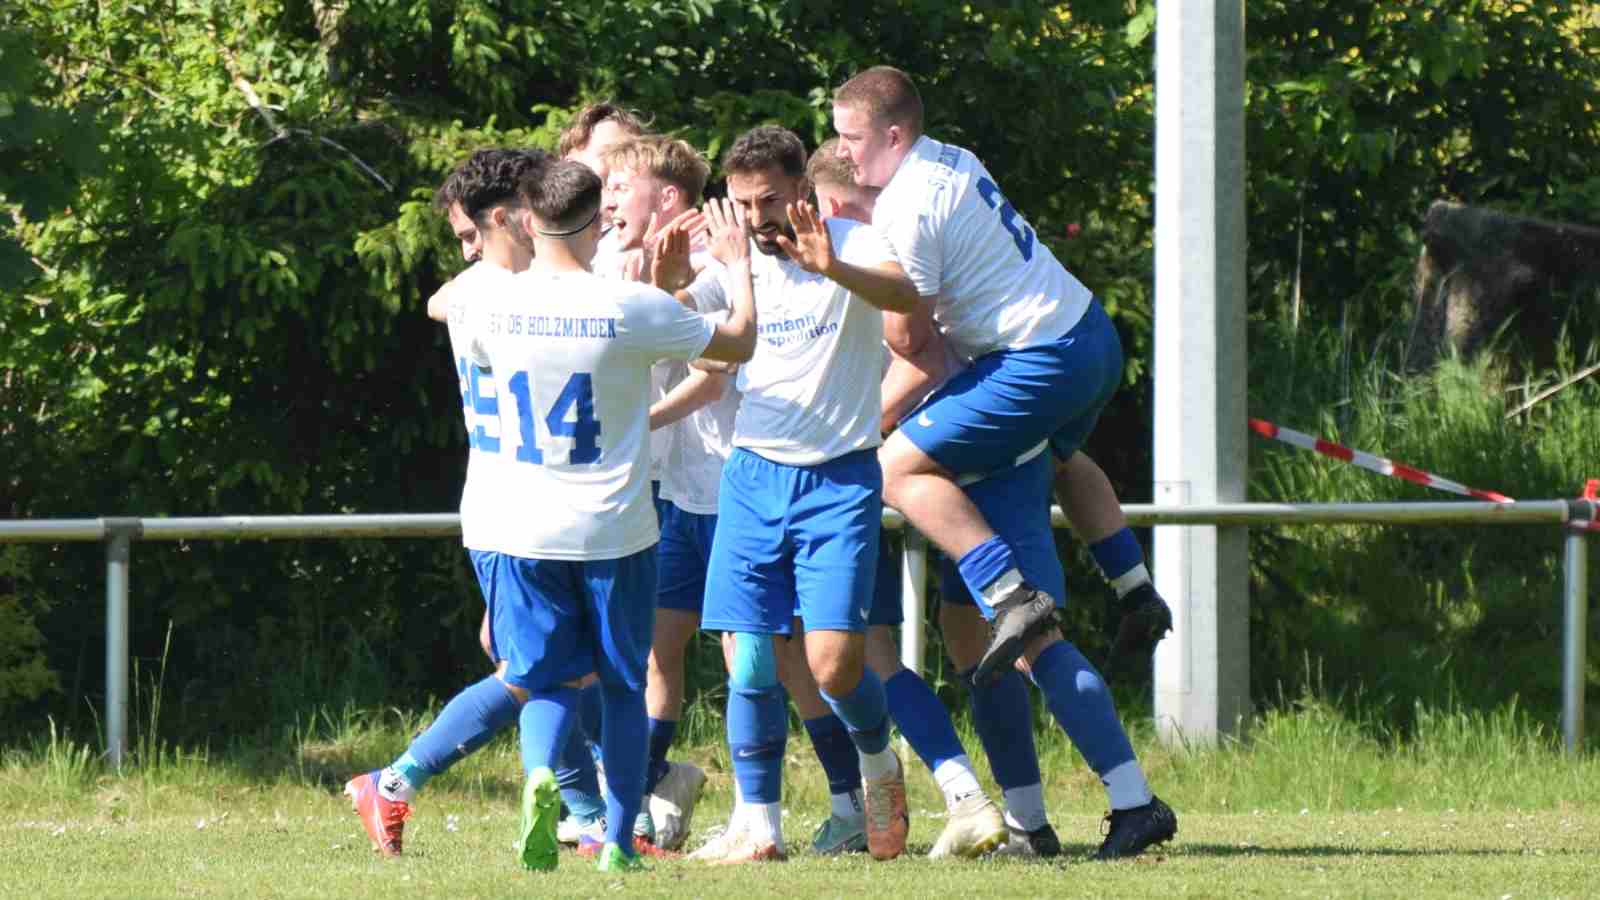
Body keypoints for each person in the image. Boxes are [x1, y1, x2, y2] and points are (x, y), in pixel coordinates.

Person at [832, 65, 1176, 858]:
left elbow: (916, 351)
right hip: (1079, 340)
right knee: (975, 647)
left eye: (854, 144)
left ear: (893, 135)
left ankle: (1131, 799)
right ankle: (1029, 819)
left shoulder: (903, 208)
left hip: (1039, 362)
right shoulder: (949, 158)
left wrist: (852, 431)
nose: (848, 165)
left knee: (907, 484)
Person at [462, 159, 759, 873]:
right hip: (613, 530)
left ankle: (543, 777)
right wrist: (736, 265)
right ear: (597, 225)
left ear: (527, 222)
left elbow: (445, 302)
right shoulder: (629, 307)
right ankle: (619, 838)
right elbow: (739, 341)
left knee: (541, 676)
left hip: (517, 527)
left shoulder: (478, 300)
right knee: (625, 686)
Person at [679, 125, 921, 865]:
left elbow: (904, 297)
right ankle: (760, 825)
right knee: (749, 660)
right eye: (744, 203)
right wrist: (663, 281)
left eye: (771, 200)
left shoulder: (851, 241)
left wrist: (832, 268)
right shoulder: (735, 257)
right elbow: (690, 320)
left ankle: (880, 769)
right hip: (753, 475)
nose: (757, 217)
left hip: (839, 478)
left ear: (802, 192)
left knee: (833, 667)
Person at [344, 147, 547, 858]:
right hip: (516, 507)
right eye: (464, 240)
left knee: (569, 666)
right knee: (536, 670)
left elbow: (443, 298)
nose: (465, 254)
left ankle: (588, 819)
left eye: (468, 237)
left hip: (536, 507)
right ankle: (395, 780)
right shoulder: (519, 295)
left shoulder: (485, 291)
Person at [596, 134, 726, 851]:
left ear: (669, 200)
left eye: (622, 184)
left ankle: (794, 802)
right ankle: (645, 792)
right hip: (670, 488)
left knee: (767, 656)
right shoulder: (606, 261)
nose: (608, 197)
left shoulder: (709, 265)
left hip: (727, 483)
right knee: (653, 651)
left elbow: (714, 373)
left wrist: (635, 423)